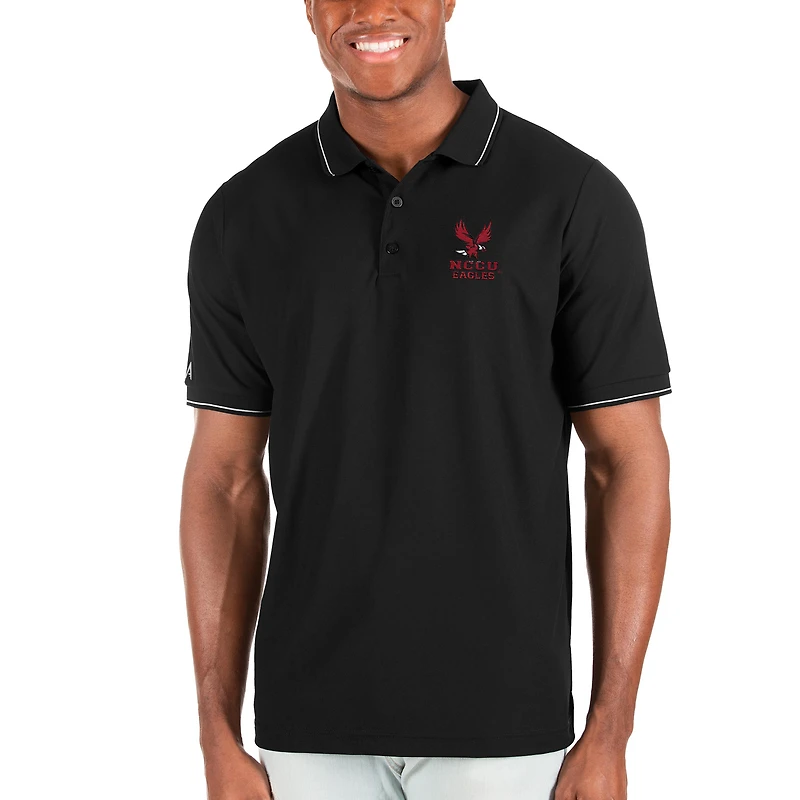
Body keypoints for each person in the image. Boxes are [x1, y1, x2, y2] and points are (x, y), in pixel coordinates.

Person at [179, 1, 672, 798]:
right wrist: (215, 733)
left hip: (506, 731)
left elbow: (627, 463)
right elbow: (224, 482)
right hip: (307, 732)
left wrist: (610, 730)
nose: (372, 10)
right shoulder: (243, 215)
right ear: (309, 8)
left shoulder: (571, 197)